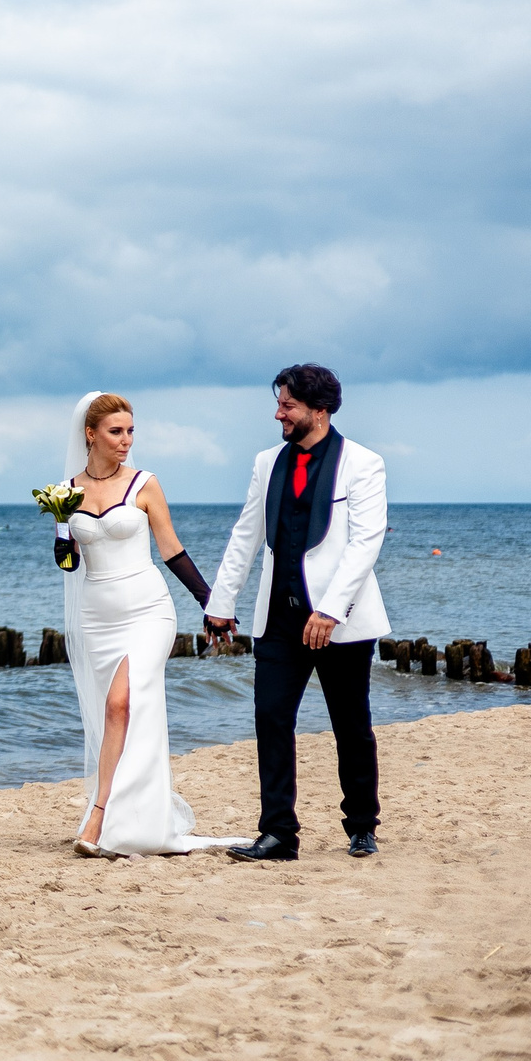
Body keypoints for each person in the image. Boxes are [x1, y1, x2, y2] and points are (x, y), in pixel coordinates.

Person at [203, 364, 390, 862]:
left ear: (319, 411)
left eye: (287, 405)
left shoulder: (363, 463)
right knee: (270, 717)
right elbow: (246, 534)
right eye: (279, 403)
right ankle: (279, 834)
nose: (278, 413)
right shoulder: (267, 462)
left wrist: (331, 610)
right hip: (280, 618)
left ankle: (362, 826)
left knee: (350, 725)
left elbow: (365, 542)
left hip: (340, 623)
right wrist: (221, 604)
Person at [50, 391, 238, 858]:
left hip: (148, 609)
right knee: (111, 713)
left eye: (131, 430)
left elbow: (171, 549)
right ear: (91, 434)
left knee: (121, 702)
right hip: (97, 616)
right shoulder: (64, 491)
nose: (126, 440)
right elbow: (70, 565)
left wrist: (210, 602)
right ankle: (123, 817)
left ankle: (97, 816)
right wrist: (62, 537)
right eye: (116, 431)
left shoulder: (145, 484)